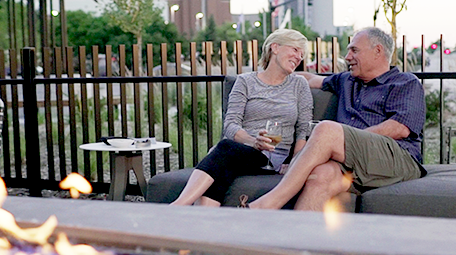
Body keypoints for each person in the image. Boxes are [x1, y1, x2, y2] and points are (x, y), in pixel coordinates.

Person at [248, 27, 426, 211]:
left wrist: (344, 140)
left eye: (354, 50)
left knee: (327, 130)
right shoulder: (347, 80)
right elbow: (309, 79)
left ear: (378, 51)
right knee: (320, 176)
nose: (347, 57)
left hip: (397, 158)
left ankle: (267, 204)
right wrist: (265, 77)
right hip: (353, 163)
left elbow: (400, 128)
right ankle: (299, 236)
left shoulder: (405, 82)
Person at [170, 29, 313, 207]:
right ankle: (204, 220)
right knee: (225, 159)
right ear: (275, 47)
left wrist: (295, 163)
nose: (299, 57)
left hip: (272, 157)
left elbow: (303, 130)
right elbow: (230, 125)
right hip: (241, 150)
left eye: (302, 54)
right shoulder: (246, 81)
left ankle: (178, 206)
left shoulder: (299, 84)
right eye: (295, 49)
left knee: (223, 150)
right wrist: (253, 141)